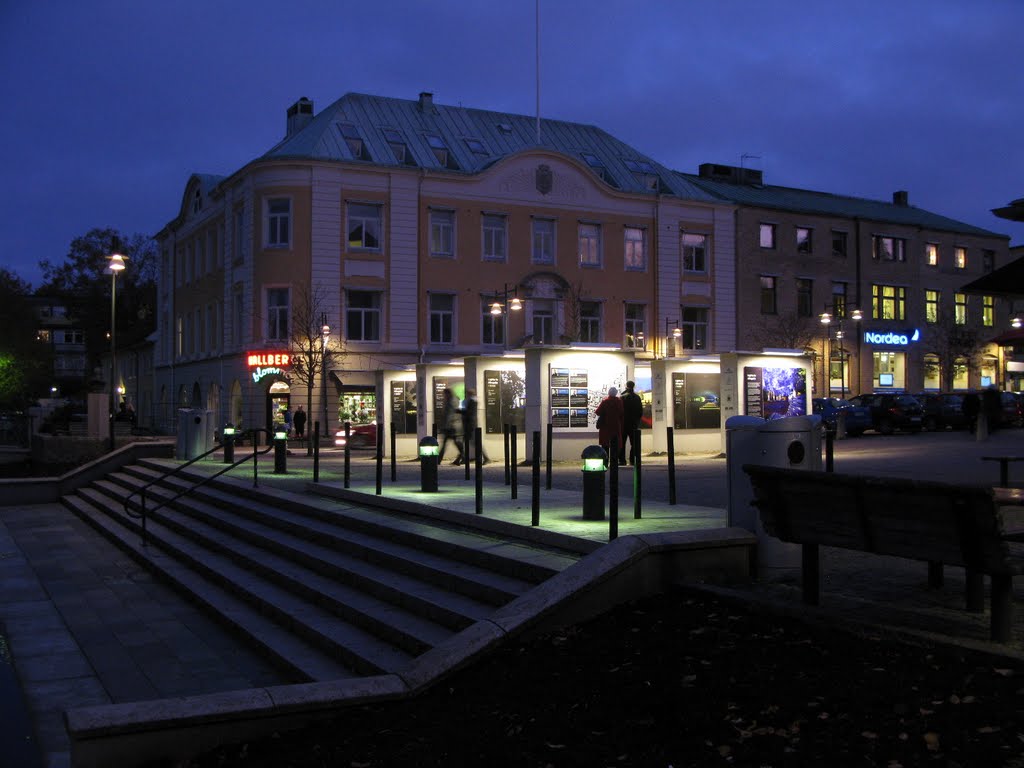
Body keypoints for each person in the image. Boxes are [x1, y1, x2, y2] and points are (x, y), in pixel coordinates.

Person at [595, 386, 624, 467]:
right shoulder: (619, 401)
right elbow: (622, 412)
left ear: (608, 393)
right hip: (616, 425)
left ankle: (605, 463)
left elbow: (598, 412)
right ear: (616, 393)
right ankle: (614, 463)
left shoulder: (605, 401)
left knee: (605, 445)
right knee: (615, 445)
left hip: (605, 426)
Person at [461, 388, 490, 464]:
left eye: (467, 393)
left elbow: (469, 413)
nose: (466, 395)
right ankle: (463, 458)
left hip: (470, 425)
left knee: (473, 442)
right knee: (468, 442)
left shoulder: (472, 401)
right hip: (470, 424)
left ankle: (485, 458)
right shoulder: (472, 401)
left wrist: (460, 411)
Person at [619, 381, 643, 465]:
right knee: (634, 444)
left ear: (626, 386)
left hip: (624, 424)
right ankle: (632, 460)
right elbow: (640, 411)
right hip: (634, 424)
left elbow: (620, 411)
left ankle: (622, 460)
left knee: (622, 443)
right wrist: (637, 420)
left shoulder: (622, 397)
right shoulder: (637, 397)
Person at [438, 388, 464, 464]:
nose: (443, 396)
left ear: (448, 394)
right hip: (454, 425)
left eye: (444, 394)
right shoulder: (455, 401)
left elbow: (449, 415)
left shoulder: (450, 402)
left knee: (447, 443)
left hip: (451, 426)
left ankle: (438, 460)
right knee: (454, 443)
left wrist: (445, 426)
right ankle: (463, 456)